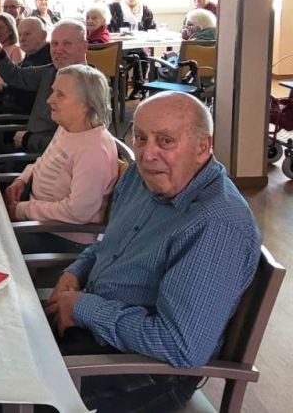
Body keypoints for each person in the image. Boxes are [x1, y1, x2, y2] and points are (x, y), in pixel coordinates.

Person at [44, 92, 261, 412]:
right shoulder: (140, 177)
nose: (147, 154)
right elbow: (111, 244)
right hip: (96, 323)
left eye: (166, 141)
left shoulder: (217, 225)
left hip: (149, 371)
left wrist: (83, 308)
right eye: (141, 138)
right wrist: (76, 270)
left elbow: (181, 346)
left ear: (203, 147)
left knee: (2, 394)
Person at [3, 65, 118, 252]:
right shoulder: (67, 127)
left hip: (61, 235)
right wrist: (21, 180)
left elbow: (78, 212)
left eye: (60, 95)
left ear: (86, 104)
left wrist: (23, 210)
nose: (49, 99)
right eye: (53, 91)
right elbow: (44, 161)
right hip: (37, 218)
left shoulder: (94, 150)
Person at [0, 19, 88, 154]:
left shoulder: (89, 86)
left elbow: (77, 146)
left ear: (84, 46)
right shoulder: (51, 71)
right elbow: (15, 75)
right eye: (55, 44)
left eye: (67, 44)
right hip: (32, 144)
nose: (58, 50)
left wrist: (29, 140)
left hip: (42, 156)